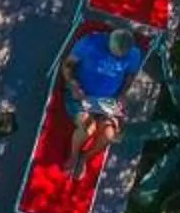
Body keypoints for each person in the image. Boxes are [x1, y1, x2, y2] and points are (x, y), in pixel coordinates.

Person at [61, 24, 144, 176]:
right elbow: (67, 65)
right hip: (83, 95)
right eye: (113, 54)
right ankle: (73, 156)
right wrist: (74, 85)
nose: (116, 58)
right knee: (88, 128)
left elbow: (130, 76)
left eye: (120, 57)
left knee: (109, 135)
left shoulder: (134, 54)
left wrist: (123, 94)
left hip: (107, 102)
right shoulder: (90, 43)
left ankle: (84, 158)